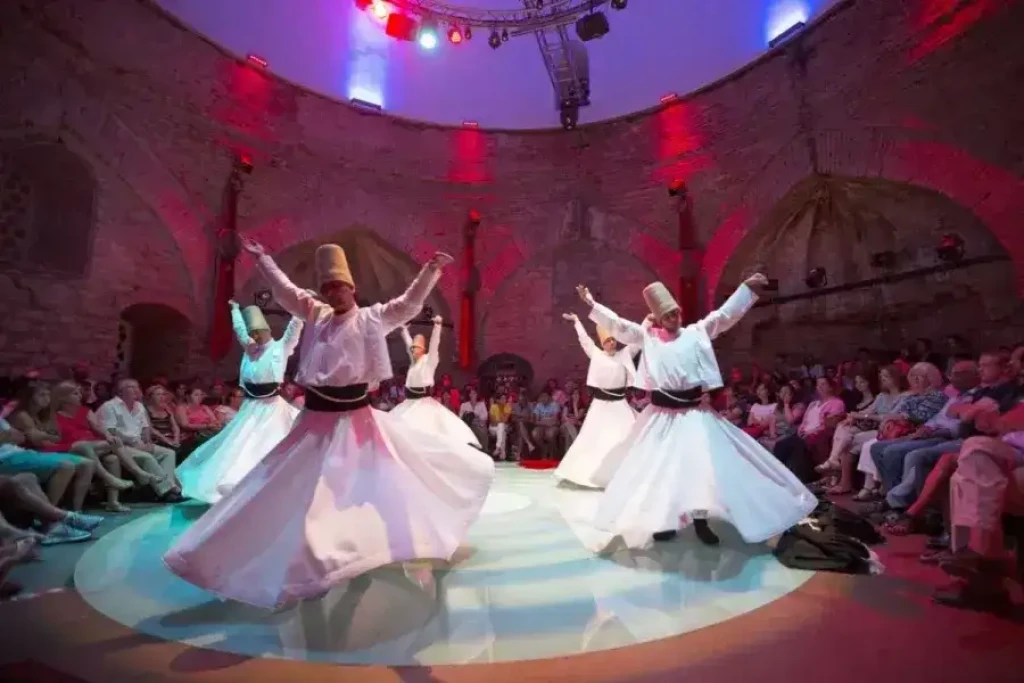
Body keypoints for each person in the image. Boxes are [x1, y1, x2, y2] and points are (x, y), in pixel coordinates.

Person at [164, 237, 495, 609]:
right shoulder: (316, 314)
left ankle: (355, 553)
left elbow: (408, 304)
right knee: (297, 491)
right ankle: (301, 562)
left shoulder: (372, 317)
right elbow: (286, 291)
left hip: (357, 420)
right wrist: (265, 259)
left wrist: (431, 269)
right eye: (327, 288)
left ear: (352, 288)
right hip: (315, 422)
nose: (333, 293)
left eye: (339, 286)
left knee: (365, 491)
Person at [570, 276, 816, 549]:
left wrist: (746, 288)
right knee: (664, 468)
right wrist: (591, 304)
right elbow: (619, 325)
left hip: (693, 414)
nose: (672, 318)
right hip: (662, 415)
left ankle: (700, 521)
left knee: (697, 469)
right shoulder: (649, 338)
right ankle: (666, 521)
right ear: (658, 318)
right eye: (666, 315)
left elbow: (724, 316)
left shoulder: (696, 332)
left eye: (674, 312)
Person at [175, 301, 303, 504]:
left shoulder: (281, 347)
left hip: (272, 408)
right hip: (251, 407)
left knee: (267, 444)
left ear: (266, 331)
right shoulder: (250, 349)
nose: (254, 338)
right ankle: (237, 489)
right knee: (240, 445)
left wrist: (300, 308)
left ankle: (270, 490)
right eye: (253, 334)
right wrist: (235, 310)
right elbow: (240, 331)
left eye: (258, 333)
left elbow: (293, 330)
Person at [553, 312, 644, 489]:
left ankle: (624, 475)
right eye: (608, 341)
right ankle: (591, 474)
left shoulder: (624, 354)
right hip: (600, 405)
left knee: (624, 437)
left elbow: (637, 341)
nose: (612, 343)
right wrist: (577, 321)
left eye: (613, 340)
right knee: (595, 439)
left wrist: (646, 322)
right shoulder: (596, 354)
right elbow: (584, 340)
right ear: (602, 343)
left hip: (619, 405)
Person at [389, 316, 482, 448]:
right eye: (414, 347)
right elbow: (408, 344)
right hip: (409, 402)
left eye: (417, 347)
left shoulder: (430, 360)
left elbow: (434, 345)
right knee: (399, 428)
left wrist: (437, 327)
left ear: (423, 349)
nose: (414, 349)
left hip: (423, 402)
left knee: (428, 431)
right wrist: (404, 331)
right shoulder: (414, 360)